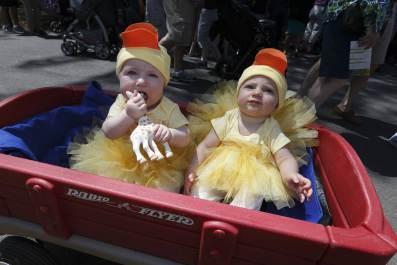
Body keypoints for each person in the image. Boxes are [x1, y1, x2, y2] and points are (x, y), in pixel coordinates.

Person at [184, 48, 317, 210]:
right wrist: (192, 169)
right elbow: (206, 146)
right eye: (250, 87)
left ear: (277, 104)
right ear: (238, 94)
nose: (257, 93)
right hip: (220, 168)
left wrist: (290, 175)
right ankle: (196, 212)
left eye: (268, 90)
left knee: (250, 198)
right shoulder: (229, 118)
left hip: (254, 175)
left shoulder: (271, 128)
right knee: (202, 190)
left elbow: (284, 158)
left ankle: (236, 221)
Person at [68, 22, 192, 193]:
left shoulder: (168, 108)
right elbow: (109, 132)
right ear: (119, 78)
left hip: (159, 161)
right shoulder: (122, 103)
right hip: (118, 157)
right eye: (132, 73)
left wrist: (170, 133)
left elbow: (185, 137)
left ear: (164, 84)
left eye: (152, 75)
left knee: (166, 188)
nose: (141, 81)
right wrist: (128, 114)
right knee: (104, 182)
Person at [302, 0, 381, 109]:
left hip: (337, 18)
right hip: (347, 24)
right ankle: (304, 115)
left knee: (327, 77)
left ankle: (303, 113)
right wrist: (371, 29)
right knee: (337, 78)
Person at [159, 0, 195, 80]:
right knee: (176, 33)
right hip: (177, 4)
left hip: (187, 5)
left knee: (183, 38)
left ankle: (178, 71)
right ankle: (148, 58)